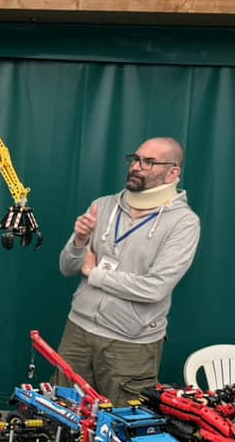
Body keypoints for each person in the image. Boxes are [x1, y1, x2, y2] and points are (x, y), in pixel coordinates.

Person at [55, 136, 200, 406]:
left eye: (149, 162)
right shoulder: (102, 206)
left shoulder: (184, 223)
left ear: (173, 173)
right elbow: (67, 267)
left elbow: (154, 288)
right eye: (135, 159)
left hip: (130, 343)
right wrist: (79, 242)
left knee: (123, 421)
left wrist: (95, 274)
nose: (136, 166)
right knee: (63, 412)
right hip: (78, 330)